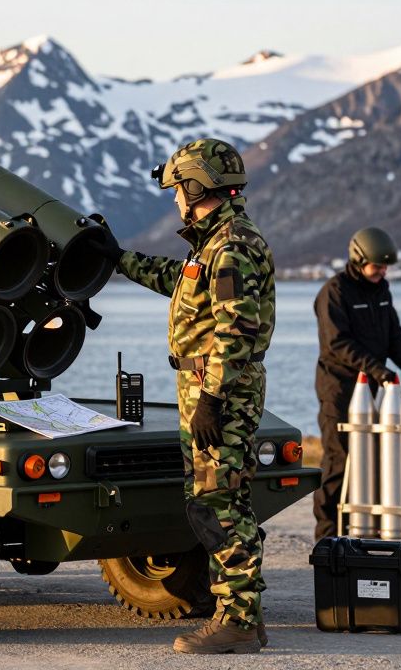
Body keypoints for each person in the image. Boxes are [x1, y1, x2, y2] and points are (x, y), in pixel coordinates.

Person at [95, 138, 275, 654]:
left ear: (197, 187)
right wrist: (119, 259)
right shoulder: (216, 242)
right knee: (225, 501)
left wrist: (212, 399)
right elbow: (182, 282)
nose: (174, 198)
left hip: (221, 390)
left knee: (218, 506)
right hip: (211, 385)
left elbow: (235, 330)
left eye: (178, 187)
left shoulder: (232, 245)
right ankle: (245, 618)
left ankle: (237, 621)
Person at [311, 227, 401, 541]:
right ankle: (328, 534)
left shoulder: (382, 291)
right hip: (339, 389)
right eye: (377, 266)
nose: (382, 272)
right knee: (339, 460)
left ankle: (365, 528)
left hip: (374, 390)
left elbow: (394, 340)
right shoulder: (334, 292)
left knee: (375, 459)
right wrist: (377, 370)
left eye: (386, 267)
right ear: (359, 259)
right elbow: (337, 344)